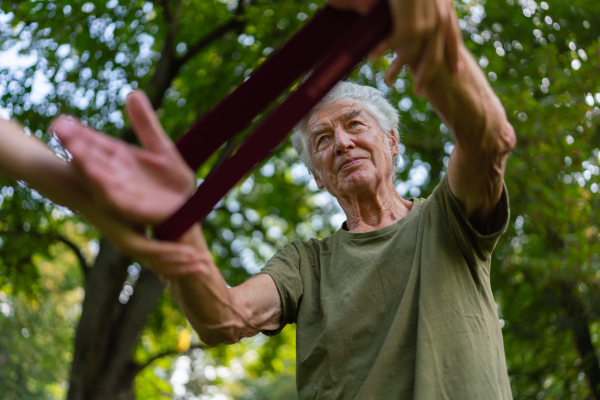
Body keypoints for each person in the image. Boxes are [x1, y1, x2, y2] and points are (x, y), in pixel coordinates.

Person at [0, 0, 516, 397]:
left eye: (355, 125)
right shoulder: (307, 263)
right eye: (322, 140)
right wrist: (178, 230)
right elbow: (224, 317)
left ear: (392, 143)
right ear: (317, 176)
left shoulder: (446, 218)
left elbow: (487, 141)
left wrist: (440, 56)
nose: (341, 143)